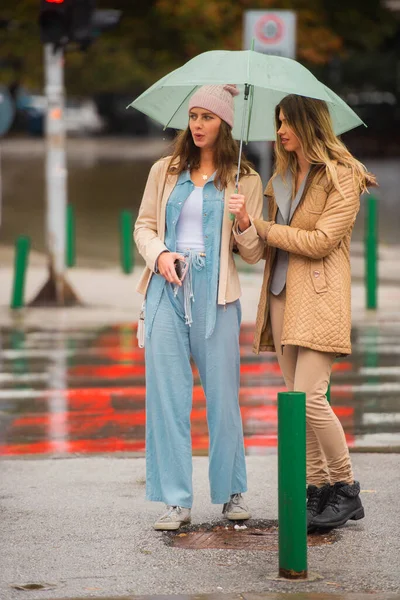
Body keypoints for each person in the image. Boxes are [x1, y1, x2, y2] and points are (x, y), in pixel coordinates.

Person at [134, 84, 264, 530]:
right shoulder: (164, 171)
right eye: (193, 116)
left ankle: (231, 493)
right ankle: (176, 501)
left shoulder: (245, 178)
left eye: (207, 117)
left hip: (217, 293)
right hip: (166, 288)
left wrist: (245, 220)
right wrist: (161, 255)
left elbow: (251, 254)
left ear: (225, 124)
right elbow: (144, 227)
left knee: (223, 399)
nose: (197, 125)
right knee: (168, 398)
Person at [250, 94, 377, 532]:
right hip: (282, 293)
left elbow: (321, 240)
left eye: (288, 123)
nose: (281, 130)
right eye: (278, 122)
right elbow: (267, 245)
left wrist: (267, 229)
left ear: (310, 124)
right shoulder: (282, 177)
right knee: (294, 402)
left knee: (309, 398)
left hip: (320, 296)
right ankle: (318, 491)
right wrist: (245, 227)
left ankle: (345, 487)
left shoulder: (343, 176)